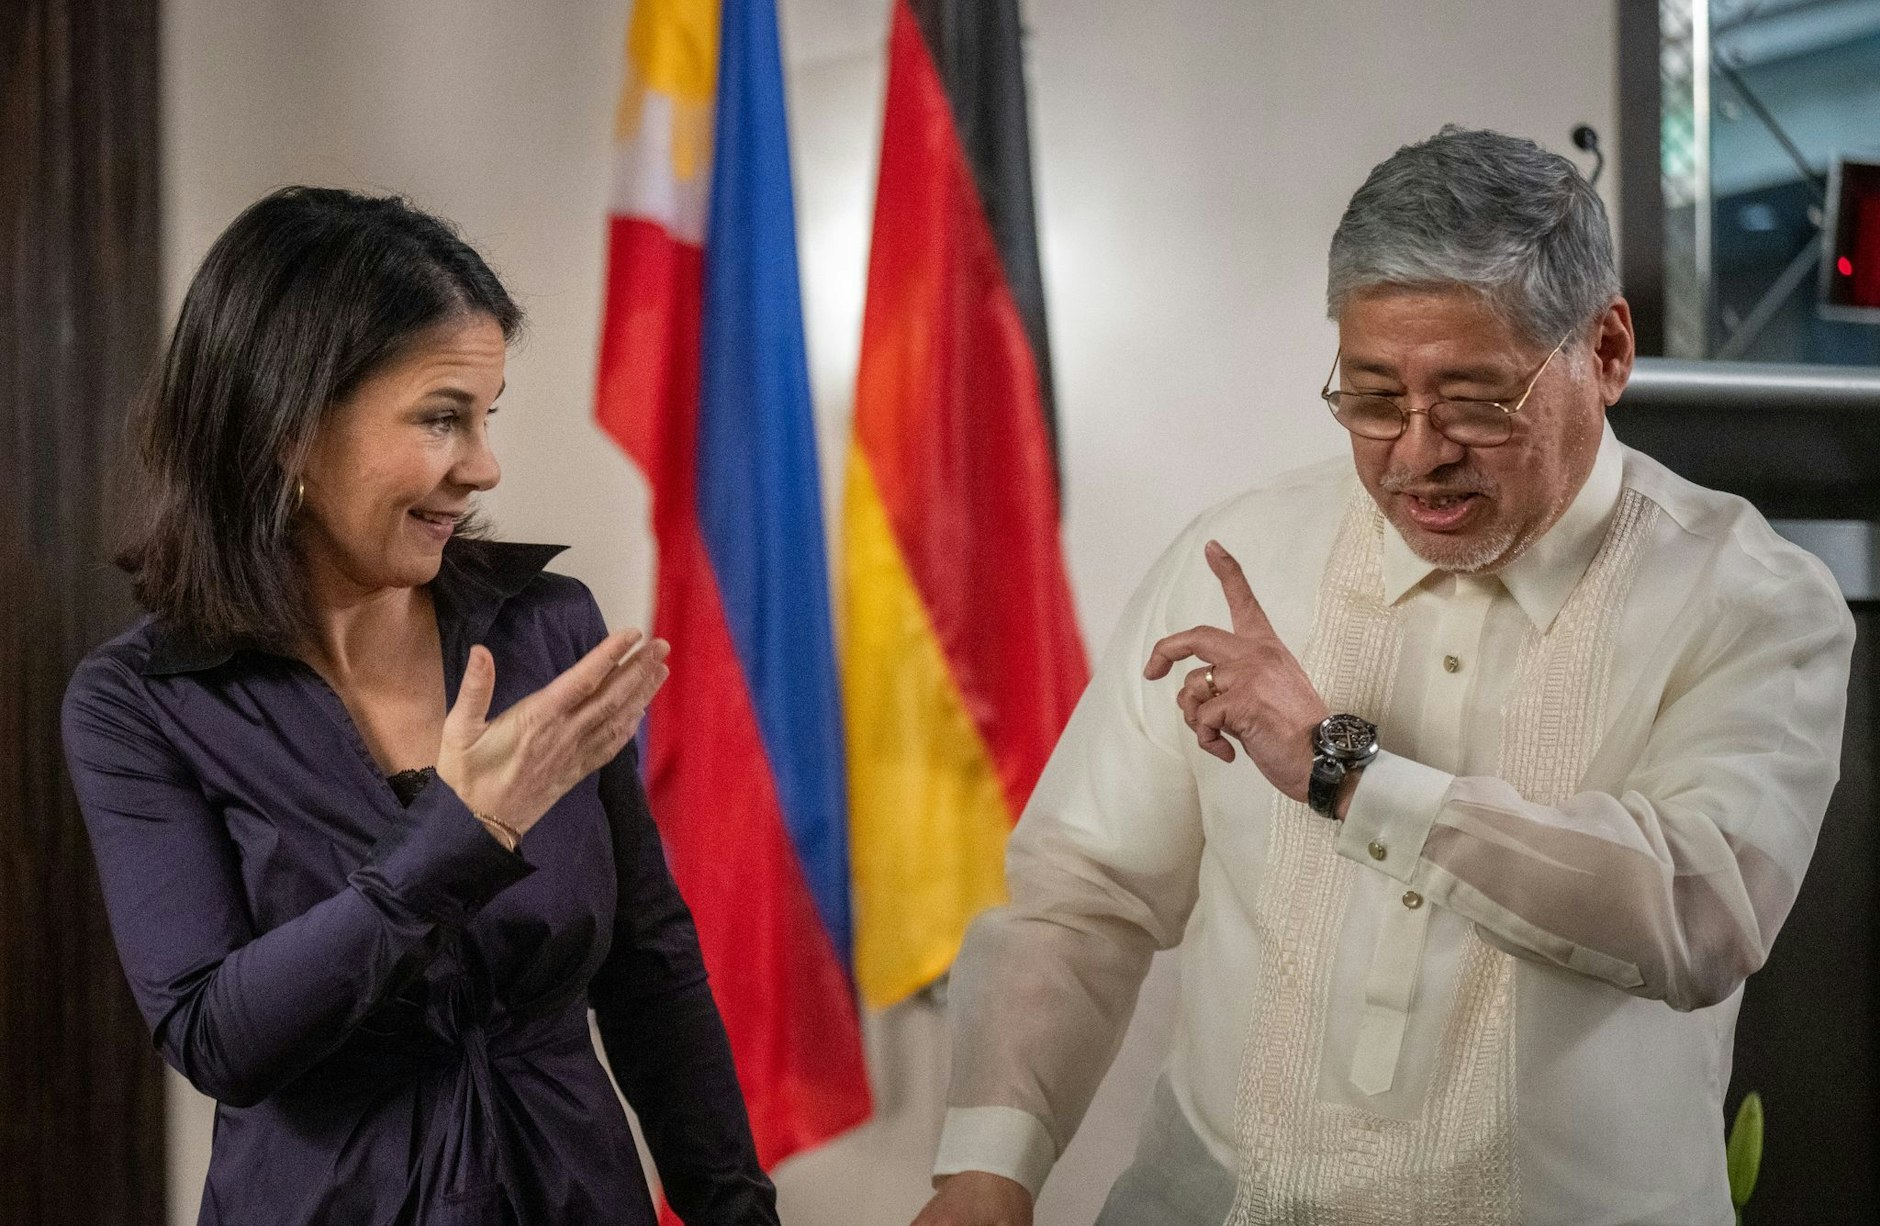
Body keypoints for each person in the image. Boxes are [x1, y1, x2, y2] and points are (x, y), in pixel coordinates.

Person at [913, 127, 1854, 1226]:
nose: (1414, 453)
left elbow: (1695, 910)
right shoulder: (1241, 555)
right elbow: (1082, 899)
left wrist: (1344, 772)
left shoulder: (1750, 597)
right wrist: (986, 1168)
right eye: (1370, 397)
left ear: (1602, 351)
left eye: (1473, 399)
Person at [62, 187, 778, 1225]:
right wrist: (460, 832)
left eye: (485, 417)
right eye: (443, 416)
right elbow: (217, 1035)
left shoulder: (545, 626)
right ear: (286, 428)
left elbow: (649, 964)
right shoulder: (140, 702)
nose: (481, 465)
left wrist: (736, 1209)